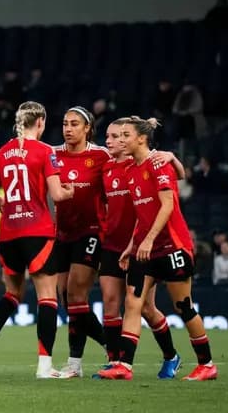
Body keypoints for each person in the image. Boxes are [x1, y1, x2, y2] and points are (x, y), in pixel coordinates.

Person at [98, 117, 218, 381]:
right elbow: (142, 212)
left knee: (183, 307)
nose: (120, 140)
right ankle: (124, 366)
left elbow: (168, 205)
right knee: (133, 303)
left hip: (172, 246)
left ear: (141, 138)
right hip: (144, 249)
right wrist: (132, 245)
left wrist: (150, 239)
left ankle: (207, 364)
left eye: (125, 135)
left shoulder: (157, 164)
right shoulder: (130, 170)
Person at [0, 102, 74, 378]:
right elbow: (58, 195)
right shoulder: (45, 151)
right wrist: (70, 190)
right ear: (39, 122)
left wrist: (10, 207)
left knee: (12, 294)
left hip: (9, 234)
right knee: (47, 297)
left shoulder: (2, 153)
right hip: (37, 232)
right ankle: (44, 366)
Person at [96, 118, 183, 379]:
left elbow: (176, 176)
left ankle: (171, 355)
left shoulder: (144, 164)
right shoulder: (107, 167)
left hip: (141, 245)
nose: (111, 141)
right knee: (111, 303)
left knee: (144, 308)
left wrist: (171, 156)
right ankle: (115, 362)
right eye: (109, 136)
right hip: (113, 244)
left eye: (117, 136)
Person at [50, 106, 111, 378]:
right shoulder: (52, 154)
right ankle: (112, 345)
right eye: (64, 123)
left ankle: (74, 364)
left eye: (74, 123)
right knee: (65, 297)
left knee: (76, 293)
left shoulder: (100, 156)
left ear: (88, 128)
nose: (68, 128)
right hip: (62, 233)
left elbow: (126, 167)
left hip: (91, 231)